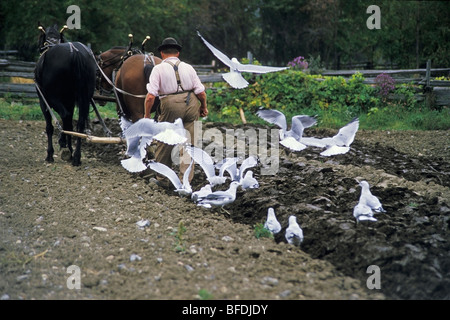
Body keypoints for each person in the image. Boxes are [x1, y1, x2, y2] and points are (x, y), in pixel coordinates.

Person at [144, 37, 208, 186]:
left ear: (161, 53)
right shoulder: (188, 67)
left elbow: (150, 97)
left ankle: (163, 180)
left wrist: (147, 115)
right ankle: (185, 183)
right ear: (177, 53)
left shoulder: (158, 69)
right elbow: (201, 92)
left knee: (164, 142)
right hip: (191, 102)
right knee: (189, 145)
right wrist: (203, 106)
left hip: (170, 103)